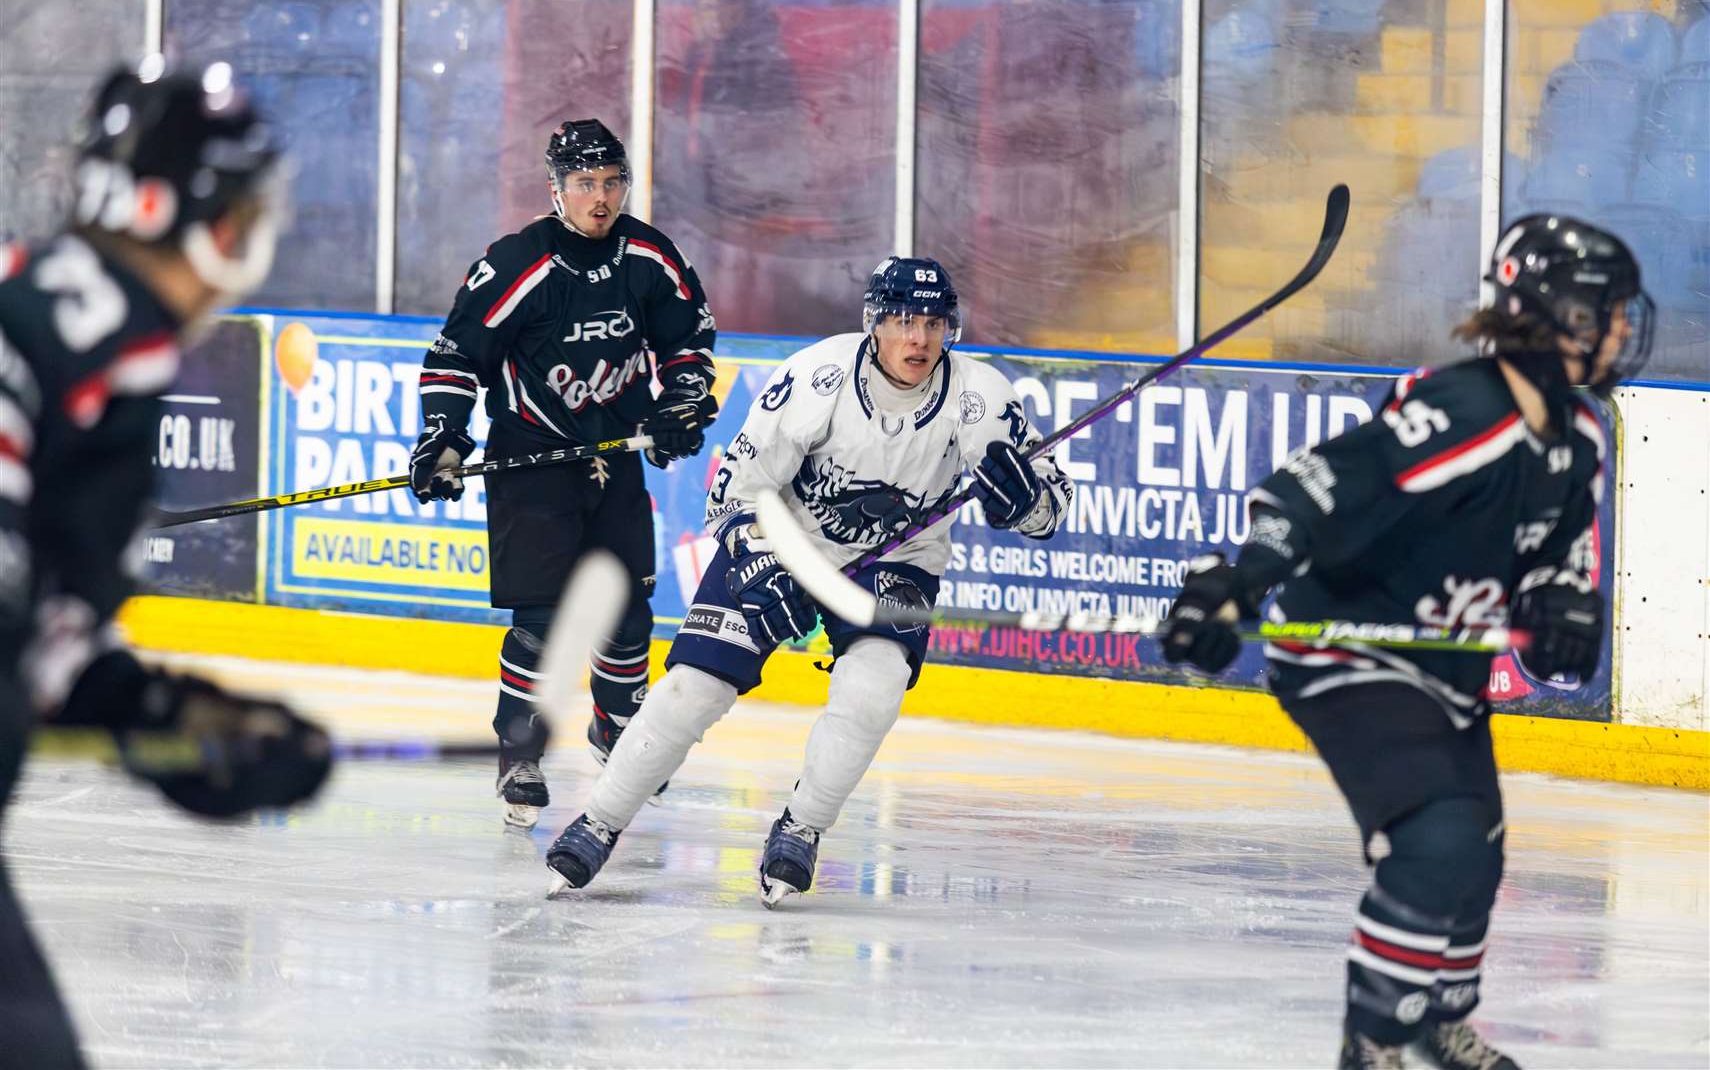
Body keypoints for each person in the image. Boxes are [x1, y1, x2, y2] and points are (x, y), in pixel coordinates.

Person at [1159, 215, 1654, 1070]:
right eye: (1605, 310)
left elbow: (1553, 574)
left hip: (1445, 670)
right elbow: (1321, 486)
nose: (1621, 328)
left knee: (1479, 853)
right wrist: (1239, 580)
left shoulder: (1579, 440)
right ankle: (1376, 1039)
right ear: (1556, 316)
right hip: (1348, 650)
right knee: (1437, 841)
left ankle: (1434, 1019)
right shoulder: (1467, 409)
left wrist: (1562, 613)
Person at [543, 257, 1074, 905]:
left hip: (896, 562)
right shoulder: (818, 376)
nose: (920, 340)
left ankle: (803, 828)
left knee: (873, 690)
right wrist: (762, 559)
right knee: (692, 689)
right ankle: (600, 819)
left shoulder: (980, 397)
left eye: (934, 323)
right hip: (785, 541)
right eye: (904, 321)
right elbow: (733, 487)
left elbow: (1051, 505)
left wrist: (1026, 503)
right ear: (875, 324)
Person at [0, 59, 331, 1069]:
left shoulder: (58, 324)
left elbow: (43, 645)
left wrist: (178, 722)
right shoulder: (88, 348)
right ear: (206, 228)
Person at [410, 119, 717, 828]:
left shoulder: (649, 256)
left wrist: (681, 404)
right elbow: (457, 355)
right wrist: (443, 436)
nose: (601, 197)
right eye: (585, 184)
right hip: (531, 460)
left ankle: (616, 732)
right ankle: (520, 750)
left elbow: (688, 344)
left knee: (629, 616)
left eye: (612, 182)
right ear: (556, 189)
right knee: (546, 619)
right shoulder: (521, 262)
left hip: (612, 461)